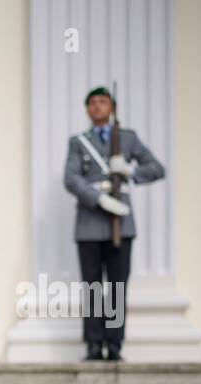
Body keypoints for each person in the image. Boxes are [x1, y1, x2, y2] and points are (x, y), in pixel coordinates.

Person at [63, 86, 165, 361]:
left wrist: (130, 170)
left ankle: (115, 344)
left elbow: (157, 168)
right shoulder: (79, 142)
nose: (98, 107)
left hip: (122, 223)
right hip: (89, 222)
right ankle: (94, 344)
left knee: (117, 286)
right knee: (93, 287)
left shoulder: (127, 139)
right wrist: (98, 198)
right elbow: (71, 178)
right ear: (87, 109)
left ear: (112, 108)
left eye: (103, 102)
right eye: (93, 103)